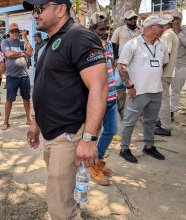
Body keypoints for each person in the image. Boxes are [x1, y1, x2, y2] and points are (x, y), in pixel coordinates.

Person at [23, 0, 108, 219]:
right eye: (33, 10)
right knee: (62, 197)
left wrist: (89, 138)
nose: (34, 15)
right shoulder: (51, 42)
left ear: (60, 9)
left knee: (61, 208)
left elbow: (99, 87)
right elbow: (49, 88)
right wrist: (36, 123)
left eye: (39, 9)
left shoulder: (79, 36)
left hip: (69, 135)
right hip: (52, 134)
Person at [117, 15, 170, 163]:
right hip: (137, 91)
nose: (164, 28)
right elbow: (121, 66)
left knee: (151, 121)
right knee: (129, 121)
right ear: (151, 27)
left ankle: (149, 146)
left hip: (156, 90)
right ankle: (124, 149)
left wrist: (151, 74)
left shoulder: (162, 44)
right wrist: (130, 86)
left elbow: (163, 64)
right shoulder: (133, 44)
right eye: (161, 26)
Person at [87, 12, 118, 186]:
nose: (106, 32)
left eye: (107, 28)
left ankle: (96, 161)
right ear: (92, 30)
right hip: (97, 98)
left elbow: (111, 66)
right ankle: (92, 166)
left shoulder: (109, 45)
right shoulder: (87, 47)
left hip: (112, 96)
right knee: (92, 134)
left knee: (111, 130)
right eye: (102, 29)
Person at [0, 22, 34, 130]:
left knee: (26, 98)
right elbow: (9, 54)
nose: (14, 33)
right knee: (9, 99)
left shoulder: (22, 42)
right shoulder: (5, 42)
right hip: (12, 77)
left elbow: (30, 53)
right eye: (12, 31)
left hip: (24, 76)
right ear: (9, 32)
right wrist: (23, 53)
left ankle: (29, 119)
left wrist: (25, 37)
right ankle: (6, 122)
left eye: (16, 31)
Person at [111, 10, 141, 119]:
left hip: (137, 63)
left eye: (134, 18)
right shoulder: (119, 30)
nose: (133, 20)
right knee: (119, 84)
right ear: (125, 20)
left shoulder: (140, 31)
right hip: (122, 63)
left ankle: (133, 110)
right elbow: (113, 45)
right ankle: (121, 108)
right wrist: (115, 59)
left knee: (134, 85)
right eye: (130, 19)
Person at [155, 14, 179, 136]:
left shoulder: (167, 35)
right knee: (162, 99)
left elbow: (166, 56)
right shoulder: (172, 34)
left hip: (165, 72)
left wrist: (158, 70)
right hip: (168, 72)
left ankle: (165, 127)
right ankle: (161, 122)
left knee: (163, 100)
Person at [170, 11, 186, 121]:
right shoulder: (166, 31)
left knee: (175, 91)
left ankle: (171, 112)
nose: (174, 21)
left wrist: (178, 33)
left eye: (176, 19)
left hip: (181, 66)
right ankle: (164, 113)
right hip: (167, 66)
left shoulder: (184, 32)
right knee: (163, 91)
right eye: (173, 19)